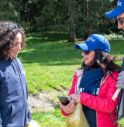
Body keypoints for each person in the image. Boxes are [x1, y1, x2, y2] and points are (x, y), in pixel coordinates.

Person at [60, 34, 121, 127]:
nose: (82, 54)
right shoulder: (79, 74)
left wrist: (82, 98)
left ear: (99, 53)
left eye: (86, 51)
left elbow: (110, 105)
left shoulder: (113, 76)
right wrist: (65, 109)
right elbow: (71, 98)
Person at [0, 21, 31, 127]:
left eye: (20, 43)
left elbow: (23, 95)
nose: (19, 48)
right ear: (4, 43)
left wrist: (28, 119)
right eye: (15, 44)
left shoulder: (17, 61)